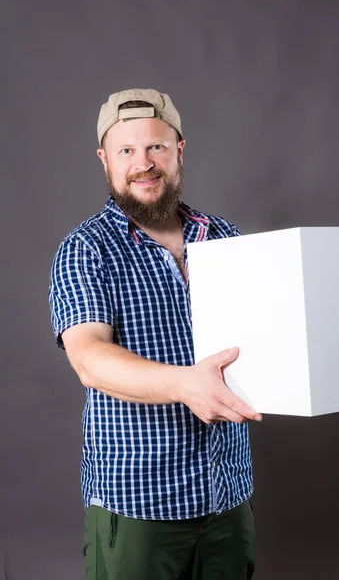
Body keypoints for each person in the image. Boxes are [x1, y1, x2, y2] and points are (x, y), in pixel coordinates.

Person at [48, 88, 263, 580]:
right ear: (105, 160)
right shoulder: (86, 250)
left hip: (227, 495)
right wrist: (185, 384)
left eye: (156, 148)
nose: (143, 163)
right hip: (140, 505)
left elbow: (262, 334)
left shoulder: (224, 236)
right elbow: (89, 359)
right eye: (126, 151)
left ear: (179, 150)